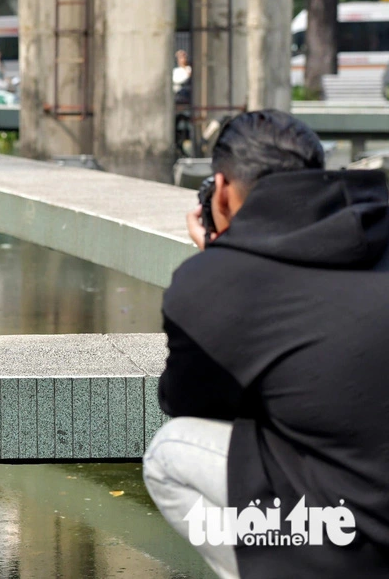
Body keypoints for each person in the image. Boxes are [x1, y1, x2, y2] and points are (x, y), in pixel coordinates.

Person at [143, 110, 389, 578]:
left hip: (352, 531)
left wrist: (219, 260)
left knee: (169, 453)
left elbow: (187, 402)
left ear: (222, 190)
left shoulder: (214, 280)